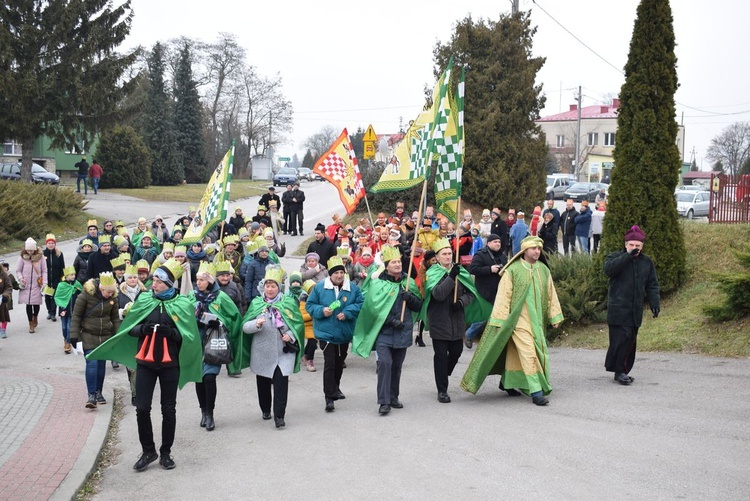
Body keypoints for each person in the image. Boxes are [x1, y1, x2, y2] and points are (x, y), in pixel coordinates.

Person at [87, 259, 203, 471]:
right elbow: (130, 327)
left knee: (168, 410)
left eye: (159, 281)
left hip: (170, 365)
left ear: (169, 284)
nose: (154, 284)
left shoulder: (183, 304)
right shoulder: (145, 298)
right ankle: (148, 451)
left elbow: (190, 337)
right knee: (141, 408)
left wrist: (173, 334)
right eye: (154, 279)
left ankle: (166, 453)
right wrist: (143, 330)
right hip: (146, 363)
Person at [461, 236, 563, 406]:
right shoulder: (513, 270)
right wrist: (499, 320)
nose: (537, 251)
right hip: (517, 322)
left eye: (539, 248)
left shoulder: (543, 270)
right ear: (524, 251)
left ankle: (506, 382)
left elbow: (551, 293)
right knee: (528, 352)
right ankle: (536, 391)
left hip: (537, 321)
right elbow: (504, 295)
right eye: (533, 248)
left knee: (523, 352)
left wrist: (555, 315)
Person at [352, 245, 423, 414]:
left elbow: (419, 305)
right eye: (394, 262)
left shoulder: (408, 282)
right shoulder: (378, 284)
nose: (398, 264)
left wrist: (410, 298)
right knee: (385, 364)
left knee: (397, 366)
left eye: (399, 261)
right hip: (384, 332)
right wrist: (391, 321)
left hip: (403, 331)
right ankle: (383, 401)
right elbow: (372, 308)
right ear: (387, 265)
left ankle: (393, 397)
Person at [421, 238, 491, 403]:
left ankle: (443, 373)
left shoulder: (460, 271)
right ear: (437, 257)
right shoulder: (433, 273)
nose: (447, 256)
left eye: (449, 253)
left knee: (456, 352)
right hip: (439, 320)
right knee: (440, 355)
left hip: (457, 319)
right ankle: (442, 390)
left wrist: (461, 302)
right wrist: (451, 278)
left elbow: (471, 293)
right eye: (444, 254)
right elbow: (438, 294)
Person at [243, 266, 304, 428]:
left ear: (279, 287)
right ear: (263, 287)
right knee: (263, 384)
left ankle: (279, 416)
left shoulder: (288, 302)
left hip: (283, 353)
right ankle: (265, 409)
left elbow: (297, 324)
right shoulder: (257, 303)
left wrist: (290, 335)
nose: (270, 289)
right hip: (262, 352)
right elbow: (245, 327)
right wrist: (256, 324)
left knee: (281, 383)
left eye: (273, 286)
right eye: (267, 286)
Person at [305, 256, 364, 412]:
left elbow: (359, 304)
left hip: (344, 333)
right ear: (330, 274)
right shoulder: (319, 288)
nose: (339, 276)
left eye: (341, 273)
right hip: (326, 333)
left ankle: (336, 387)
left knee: (339, 363)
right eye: (336, 273)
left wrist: (347, 313)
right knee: (330, 364)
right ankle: (329, 397)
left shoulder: (352, 288)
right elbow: (310, 306)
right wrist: (322, 311)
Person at [604, 225, 660, 385]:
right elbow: (608, 270)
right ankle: (619, 370)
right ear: (626, 244)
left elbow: (652, 284)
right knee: (620, 339)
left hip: (634, 309)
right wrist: (627, 256)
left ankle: (623, 370)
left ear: (642, 246)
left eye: (638, 246)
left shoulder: (646, 262)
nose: (635, 248)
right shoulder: (615, 257)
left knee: (630, 341)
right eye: (632, 245)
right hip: (618, 308)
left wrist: (654, 301)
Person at [190, 262, 242, 431]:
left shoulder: (221, 297)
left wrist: (219, 322)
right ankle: (203, 411)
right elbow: (183, 316)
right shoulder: (191, 297)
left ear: (210, 281)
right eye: (197, 279)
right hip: (196, 343)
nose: (198, 283)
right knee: (199, 379)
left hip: (214, 343)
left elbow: (234, 317)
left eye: (202, 280)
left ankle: (211, 413)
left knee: (210, 378)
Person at [70, 272, 122, 408]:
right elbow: (76, 316)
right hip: (88, 334)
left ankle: (99, 391)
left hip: (105, 336)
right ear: (101, 288)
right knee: (92, 363)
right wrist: (74, 336)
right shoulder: (85, 296)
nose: (110, 295)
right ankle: (91, 395)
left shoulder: (113, 299)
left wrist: (118, 335)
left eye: (112, 292)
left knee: (101, 365)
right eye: (108, 292)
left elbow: (115, 318)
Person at [466, 234, 507, 348]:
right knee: (483, 317)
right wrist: (490, 269)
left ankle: (494, 342)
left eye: (499, 242)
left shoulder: (502, 256)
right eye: (495, 242)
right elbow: (473, 269)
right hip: (484, 291)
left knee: (499, 317)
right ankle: (469, 335)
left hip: (499, 291)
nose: (498, 244)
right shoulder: (481, 254)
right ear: (488, 243)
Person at [17, 238, 47, 333]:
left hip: (37, 284)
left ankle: (35, 316)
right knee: (28, 304)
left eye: (31, 250)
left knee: (36, 303)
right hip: (26, 285)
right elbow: (18, 270)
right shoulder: (22, 257)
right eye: (28, 250)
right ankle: (30, 323)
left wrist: (45, 282)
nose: (30, 252)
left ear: (35, 249)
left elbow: (44, 271)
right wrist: (21, 278)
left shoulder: (41, 257)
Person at [54, 266, 82, 354]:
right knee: (64, 327)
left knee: (70, 327)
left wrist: (77, 290)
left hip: (73, 309)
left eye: (74, 274)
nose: (73, 276)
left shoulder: (76, 284)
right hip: (64, 309)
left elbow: (81, 293)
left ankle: (67, 342)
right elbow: (58, 296)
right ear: (66, 276)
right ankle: (65, 338)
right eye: (71, 275)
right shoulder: (61, 285)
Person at [42, 233, 65, 322]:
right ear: (46, 244)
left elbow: (62, 266)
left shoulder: (59, 254)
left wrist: (62, 278)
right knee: (48, 297)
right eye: (49, 243)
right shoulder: (43, 254)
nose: (51, 245)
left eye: (52, 243)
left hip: (56, 279)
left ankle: (53, 313)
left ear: (55, 244)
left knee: (55, 296)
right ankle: (49, 310)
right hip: (46, 280)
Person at [0, 262, 17, 339]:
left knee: (3, 316)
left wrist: (5, 296)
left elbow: (8, 286)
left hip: (1, 300)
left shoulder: (4, 275)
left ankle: (3, 329)